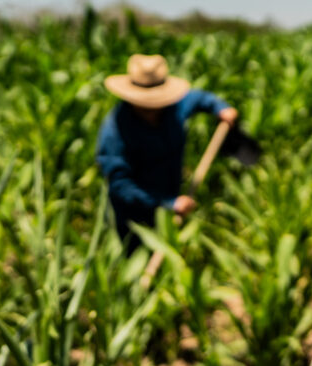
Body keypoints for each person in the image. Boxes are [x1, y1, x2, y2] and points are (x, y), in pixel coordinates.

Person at [96, 54, 238, 252]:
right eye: (146, 106)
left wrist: (220, 108)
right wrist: (168, 203)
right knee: (135, 262)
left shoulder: (174, 106)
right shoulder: (115, 130)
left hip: (171, 201)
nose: (152, 109)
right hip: (133, 217)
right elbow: (120, 185)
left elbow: (198, 98)